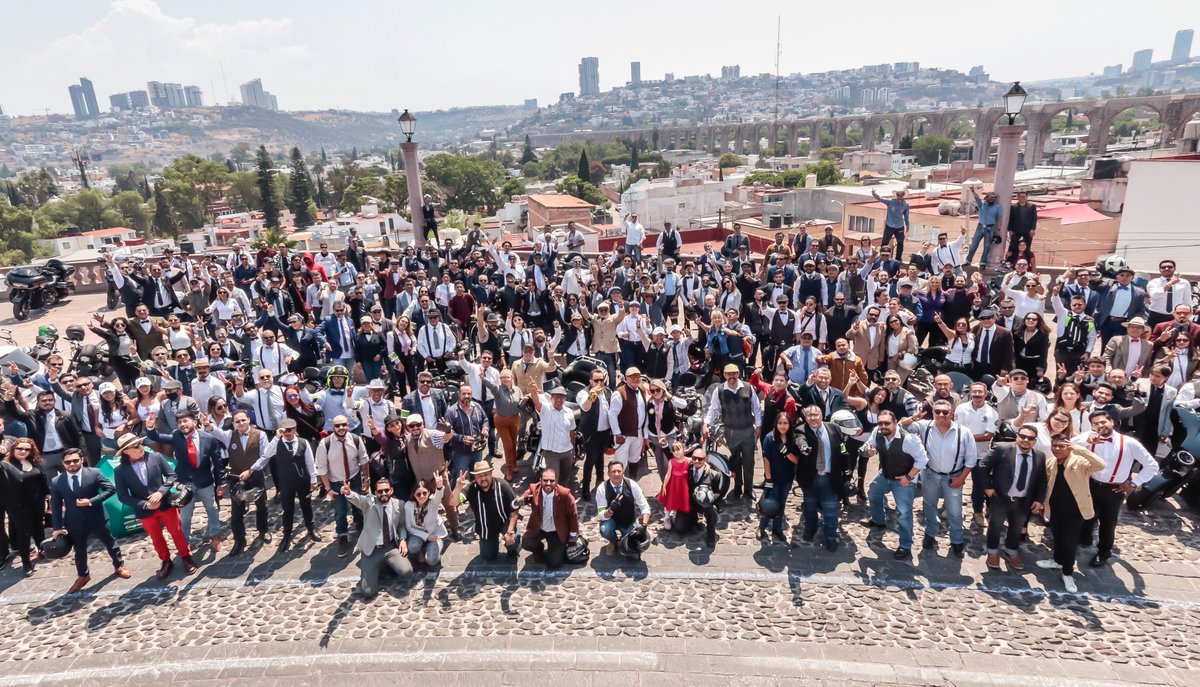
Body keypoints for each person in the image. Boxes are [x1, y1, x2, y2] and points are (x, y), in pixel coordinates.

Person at [1073, 411, 1159, 568]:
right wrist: (1086, 439)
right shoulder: (1089, 438)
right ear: (1092, 426)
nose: (1100, 426)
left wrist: (1134, 483)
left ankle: (1104, 552)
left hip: (1114, 490)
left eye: (1103, 422)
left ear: (1111, 422)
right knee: (1086, 515)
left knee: (1108, 523)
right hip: (1091, 484)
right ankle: (1084, 539)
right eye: (1095, 424)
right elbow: (1069, 445)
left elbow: (1152, 466)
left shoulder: (1129, 443)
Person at [112, 433, 198, 579]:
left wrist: (161, 492)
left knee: (176, 531)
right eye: (136, 445)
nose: (141, 447)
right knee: (156, 537)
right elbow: (122, 496)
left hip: (165, 504)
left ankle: (185, 557)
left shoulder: (156, 457)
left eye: (141, 443)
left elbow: (171, 476)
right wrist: (145, 505)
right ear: (126, 451)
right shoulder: (119, 471)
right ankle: (166, 561)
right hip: (145, 511)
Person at [48, 448, 131, 592]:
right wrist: (57, 527)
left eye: (75, 460)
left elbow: (110, 489)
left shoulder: (94, 473)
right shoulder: (57, 481)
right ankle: (83, 575)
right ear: (63, 463)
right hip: (74, 521)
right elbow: (55, 505)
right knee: (79, 550)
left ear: (82, 460)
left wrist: (91, 501)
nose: (72, 464)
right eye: (68, 462)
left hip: (96, 517)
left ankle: (119, 566)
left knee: (110, 542)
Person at [144, 410, 226, 551]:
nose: (182, 424)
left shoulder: (208, 438)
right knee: (186, 514)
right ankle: (185, 540)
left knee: (211, 508)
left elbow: (217, 462)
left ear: (195, 422)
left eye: (185, 421)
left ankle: (214, 535)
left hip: (205, 481)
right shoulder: (176, 436)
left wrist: (221, 482)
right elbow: (156, 436)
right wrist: (150, 427)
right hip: (184, 483)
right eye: (180, 422)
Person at [1034, 434, 1106, 593]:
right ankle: (1057, 561)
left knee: (1069, 543)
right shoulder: (1051, 463)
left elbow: (1100, 465)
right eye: (1055, 446)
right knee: (1058, 538)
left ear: (1069, 447)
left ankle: (1067, 572)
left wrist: (1079, 449)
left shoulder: (1079, 462)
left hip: (1075, 511)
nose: (1058, 449)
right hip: (1055, 508)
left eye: (1062, 446)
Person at [974, 425, 1047, 571]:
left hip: (1023, 501)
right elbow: (982, 466)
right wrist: (987, 488)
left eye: (1030, 438)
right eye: (1023, 436)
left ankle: (1011, 552)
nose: (1026, 440)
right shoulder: (1002, 448)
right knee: (995, 526)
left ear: (1035, 441)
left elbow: (1042, 480)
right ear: (1017, 436)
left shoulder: (1039, 455)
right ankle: (992, 552)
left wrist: (1039, 499)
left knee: (1017, 527)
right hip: (1001, 497)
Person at [911, 399, 978, 557]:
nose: (941, 415)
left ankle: (957, 541)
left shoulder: (964, 432)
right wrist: (914, 418)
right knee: (929, 505)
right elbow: (902, 425)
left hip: (953, 476)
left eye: (945, 412)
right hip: (930, 474)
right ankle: (930, 534)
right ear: (932, 413)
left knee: (955, 511)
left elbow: (971, 459)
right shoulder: (925, 426)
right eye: (937, 412)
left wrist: (961, 478)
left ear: (952, 414)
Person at [860, 410, 928, 560]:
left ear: (895, 422)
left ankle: (905, 545)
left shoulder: (909, 439)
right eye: (880, 423)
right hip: (885, 474)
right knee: (873, 493)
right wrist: (869, 452)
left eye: (886, 423)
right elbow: (869, 446)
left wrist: (909, 477)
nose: (883, 426)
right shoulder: (877, 432)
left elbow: (922, 460)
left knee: (904, 513)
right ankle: (878, 520)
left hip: (903, 479)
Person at [205, 410, 272, 555]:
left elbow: (265, 456)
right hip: (237, 478)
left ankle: (263, 530)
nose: (241, 423)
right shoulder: (230, 436)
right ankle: (239, 540)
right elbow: (215, 431)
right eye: (237, 421)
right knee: (236, 511)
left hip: (255, 476)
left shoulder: (260, 435)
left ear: (248, 419)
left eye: (243, 420)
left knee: (261, 506)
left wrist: (251, 470)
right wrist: (207, 425)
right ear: (233, 424)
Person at [342, 477, 412, 599]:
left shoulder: (399, 504)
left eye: (386, 490)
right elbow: (359, 499)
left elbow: (401, 526)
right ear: (375, 493)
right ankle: (370, 567)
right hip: (372, 550)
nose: (383, 493)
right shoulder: (369, 502)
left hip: (390, 547)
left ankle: (383, 566)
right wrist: (349, 493)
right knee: (368, 592)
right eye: (380, 491)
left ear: (391, 490)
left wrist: (402, 540)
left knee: (407, 572)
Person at [702, 364, 762, 499]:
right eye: (729, 374)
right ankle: (737, 487)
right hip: (730, 432)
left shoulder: (748, 387)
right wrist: (706, 424)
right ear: (724, 375)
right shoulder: (720, 390)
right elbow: (713, 409)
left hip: (747, 431)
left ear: (738, 374)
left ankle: (748, 489)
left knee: (749, 462)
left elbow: (756, 408)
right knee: (734, 462)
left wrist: (758, 426)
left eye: (734, 374)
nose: (732, 377)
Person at [316, 414, 370, 558]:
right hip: (336, 482)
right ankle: (342, 536)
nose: (341, 428)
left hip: (354, 478)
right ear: (332, 427)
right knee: (340, 511)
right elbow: (322, 468)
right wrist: (328, 488)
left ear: (348, 425)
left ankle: (361, 527)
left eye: (344, 425)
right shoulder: (325, 444)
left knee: (359, 506)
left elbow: (364, 460)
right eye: (337, 425)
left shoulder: (356, 439)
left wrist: (367, 479)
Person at [1, 438, 50, 577]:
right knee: (24, 534)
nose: (23, 451)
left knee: (38, 528)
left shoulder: (35, 461)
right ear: (13, 449)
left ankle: (42, 550)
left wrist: (47, 493)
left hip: (37, 502)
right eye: (20, 448)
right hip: (18, 506)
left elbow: (42, 478)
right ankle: (26, 563)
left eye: (27, 449)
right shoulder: (5, 465)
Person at [452, 460, 520, 561]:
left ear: (491, 474)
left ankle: (513, 549)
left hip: (504, 522)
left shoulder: (503, 486)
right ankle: (488, 544)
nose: (483, 478)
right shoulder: (471, 488)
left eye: (486, 475)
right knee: (488, 556)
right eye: (479, 476)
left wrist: (510, 532)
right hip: (486, 527)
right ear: (475, 477)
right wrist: (457, 488)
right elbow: (453, 503)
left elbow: (515, 510)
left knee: (515, 539)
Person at [518, 468, 580, 569]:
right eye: (545, 480)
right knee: (526, 543)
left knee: (554, 564)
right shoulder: (534, 489)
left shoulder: (565, 494)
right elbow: (523, 497)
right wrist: (521, 500)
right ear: (540, 480)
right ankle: (539, 549)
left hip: (557, 531)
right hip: (540, 529)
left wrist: (572, 538)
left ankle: (558, 550)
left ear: (556, 481)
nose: (548, 483)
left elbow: (573, 516)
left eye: (552, 480)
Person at [759, 412, 801, 544]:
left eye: (785, 423)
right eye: (780, 423)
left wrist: (787, 453)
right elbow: (766, 460)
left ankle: (777, 529)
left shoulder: (793, 439)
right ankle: (761, 527)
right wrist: (769, 480)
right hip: (773, 478)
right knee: (769, 505)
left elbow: (797, 460)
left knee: (781, 505)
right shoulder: (769, 438)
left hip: (787, 478)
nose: (782, 426)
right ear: (776, 424)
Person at [595, 461, 652, 557]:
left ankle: (625, 539)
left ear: (623, 472)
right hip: (611, 520)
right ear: (608, 473)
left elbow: (645, 507)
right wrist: (610, 510)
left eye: (619, 471)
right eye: (613, 471)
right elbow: (601, 515)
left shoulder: (632, 485)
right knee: (605, 529)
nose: (616, 474)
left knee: (634, 556)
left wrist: (644, 526)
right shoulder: (602, 488)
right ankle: (613, 542)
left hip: (627, 521)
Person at [670, 446, 721, 548]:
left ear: (705, 459)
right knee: (680, 527)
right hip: (689, 503)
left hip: (705, 505)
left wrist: (710, 497)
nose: (697, 461)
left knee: (712, 510)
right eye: (694, 458)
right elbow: (673, 460)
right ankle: (693, 519)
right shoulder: (686, 469)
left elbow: (718, 493)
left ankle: (711, 532)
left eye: (700, 459)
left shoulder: (714, 475)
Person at [529, 384, 577, 487]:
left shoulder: (569, 412)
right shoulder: (545, 410)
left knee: (564, 480)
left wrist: (573, 449)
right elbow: (536, 401)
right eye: (556, 397)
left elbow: (572, 431)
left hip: (566, 452)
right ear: (551, 398)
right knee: (552, 481)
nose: (559, 399)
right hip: (551, 454)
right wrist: (533, 391)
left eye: (562, 397)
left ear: (565, 398)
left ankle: (560, 500)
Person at [404, 476, 447, 568]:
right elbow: (409, 527)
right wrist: (426, 537)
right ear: (413, 495)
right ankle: (420, 552)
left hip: (434, 534)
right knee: (413, 547)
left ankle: (434, 549)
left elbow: (438, 496)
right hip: (417, 534)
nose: (422, 496)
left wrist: (439, 487)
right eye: (418, 494)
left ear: (429, 493)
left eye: (424, 493)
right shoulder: (408, 505)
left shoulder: (433, 503)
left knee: (431, 561)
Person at [871, 189, 910, 260]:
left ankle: (898, 258)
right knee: (884, 242)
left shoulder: (906, 204)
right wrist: (874, 194)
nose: (900, 196)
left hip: (899, 226)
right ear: (896, 195)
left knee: (900, 243)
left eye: (902, 194)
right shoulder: (891, 201)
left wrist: (907, 225)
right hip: (890, 225)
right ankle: (882, 256)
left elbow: (906, 215)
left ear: (904, 195)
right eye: (898, 194)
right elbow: (881, 199)